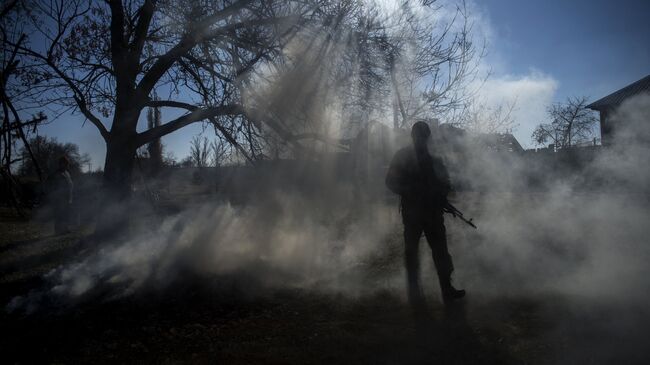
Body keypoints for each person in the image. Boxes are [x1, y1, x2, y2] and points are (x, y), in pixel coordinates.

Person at [385, 121, 465, 310]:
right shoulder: (402, 157)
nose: (421, 139)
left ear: (427, 137)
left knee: (441, 252)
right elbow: (390, 181)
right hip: (412, 213)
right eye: (418, 135)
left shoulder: (435, 160)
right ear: (413, 136)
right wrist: (410, 190)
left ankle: (447, 289)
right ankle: (415, 294)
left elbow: (446, 183)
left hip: (432, 213)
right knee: (411, 253)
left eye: (423, 135)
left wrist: (440, 194)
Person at [50, 155, 74, 234]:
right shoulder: (57, 173)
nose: (66, 165)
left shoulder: (67, 173)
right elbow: (53, 186)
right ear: (60, 164)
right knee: (59, 214)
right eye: (65, 163)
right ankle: (58, 230)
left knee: (66, 214)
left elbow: (70, 184)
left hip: (68, 197)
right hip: (60, 198)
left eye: (67, 164)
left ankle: (65, 228)